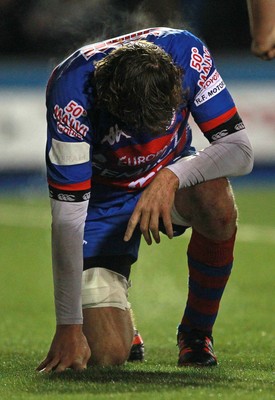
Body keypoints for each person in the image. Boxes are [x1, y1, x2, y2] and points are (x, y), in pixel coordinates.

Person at [37, 27, 253, 373]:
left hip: (167, 180)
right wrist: (68, 326)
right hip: (99, 206)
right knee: (106, 356)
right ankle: (121, 321)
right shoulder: (72, 94)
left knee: (216, 200)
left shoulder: (187, 54)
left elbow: (240, 152)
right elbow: (67, 218)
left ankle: (196, 333)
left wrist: (171, 176)